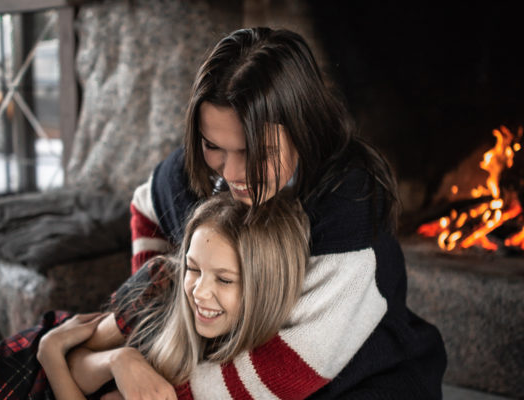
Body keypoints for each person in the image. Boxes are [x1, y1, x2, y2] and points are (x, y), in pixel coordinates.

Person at [82, 26, 446, 399]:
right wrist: (163, 319)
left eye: (257, 152)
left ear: (303, 129)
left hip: (359, 375)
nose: (233, 173)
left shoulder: (349, 211)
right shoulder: (196, 172)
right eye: (214, 146)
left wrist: (154, 377)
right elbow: (147, 203)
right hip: (227, 359)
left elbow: (290, 369)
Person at [0, 193, 310, 400]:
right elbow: (78, 357)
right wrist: (118, 358)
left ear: (266, 287)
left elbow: (62, 361)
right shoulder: (164, 283)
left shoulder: (243, 375)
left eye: (225, 280)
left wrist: (52, 353)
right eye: (194, 268)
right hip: (21, 368)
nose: (199, 290)